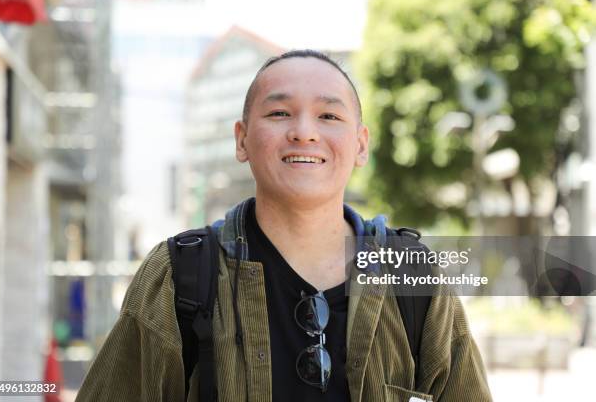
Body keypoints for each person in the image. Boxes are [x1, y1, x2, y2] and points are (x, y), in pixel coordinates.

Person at [76, 49, 492, 401]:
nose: (304, 132)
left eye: (329, 115)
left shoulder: (413, 273)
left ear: (360, 144)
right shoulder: (179, 274)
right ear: (241, 140)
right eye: (279, 112)